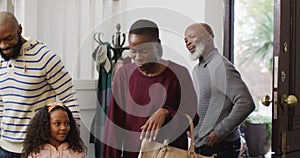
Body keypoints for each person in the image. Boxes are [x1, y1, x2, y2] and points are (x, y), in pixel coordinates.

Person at [102, 19, 199, 158]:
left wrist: (166, 112)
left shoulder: (179, 74)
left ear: (157, 45)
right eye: (133, 52)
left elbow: (192, 118)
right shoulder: (124, 75)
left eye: (144, 51)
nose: (138, 58)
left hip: (169, 154)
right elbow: (113, 127)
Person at [0, 11, 80, 157]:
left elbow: (70, 99)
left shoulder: (45, 58)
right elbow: (2, 104)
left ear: (20, 29)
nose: (3, 46)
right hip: (4, 148)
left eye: (8, 38)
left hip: (36, 150)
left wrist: (72, 145)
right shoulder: (2, 61)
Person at [184, 23, 255, 158]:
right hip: (201, 145)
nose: (188, 43)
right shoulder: (197, 70)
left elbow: (246, 103)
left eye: (192, 37)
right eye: (185, 40)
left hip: (220, 146)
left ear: (208, 37)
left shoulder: (220, 67)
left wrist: (220, 132)